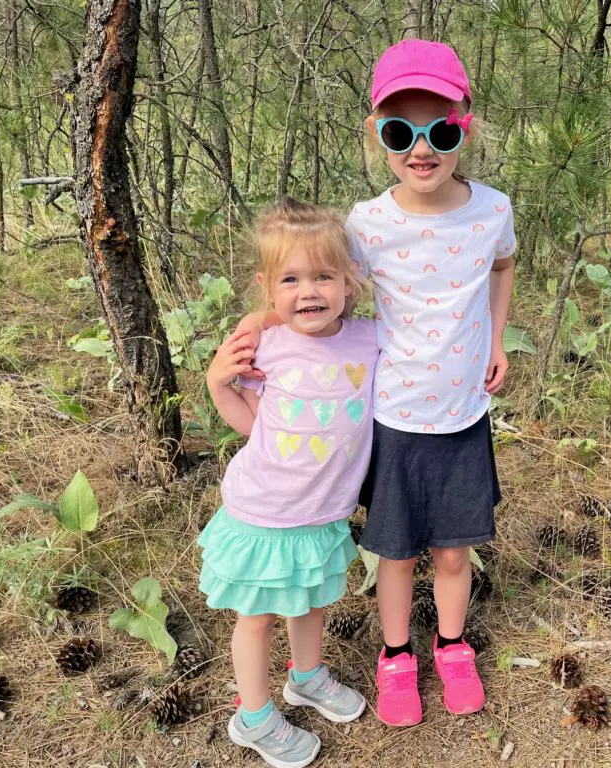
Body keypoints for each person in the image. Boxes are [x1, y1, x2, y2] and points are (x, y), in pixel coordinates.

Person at [238, 38, 516, 728]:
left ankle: (451, 647)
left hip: (462, 415)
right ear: (378, 136)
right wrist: (260, 322)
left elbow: (502, 268)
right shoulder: (366, 223)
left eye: (441, 130)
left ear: (465, 128)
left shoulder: (493, 210)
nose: (421, 148)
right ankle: (397, 656)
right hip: (391, 417)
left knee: (454, 550)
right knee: (394, 552)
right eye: (400, 132)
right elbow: (322, 288)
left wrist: (499, 336)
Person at [201, 198, 377, 767]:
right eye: (291, 279)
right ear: (267, 286)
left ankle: (306, 677)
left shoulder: (368, 340)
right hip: (266, 511)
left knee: (311, 603)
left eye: (324, 276)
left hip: (323, 511)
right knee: (257, 619)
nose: (309, 292)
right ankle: (252, 717)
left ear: (350, 282)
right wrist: (217, 384)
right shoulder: (266, 348)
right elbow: (253, 425)